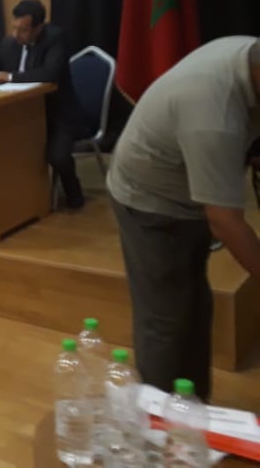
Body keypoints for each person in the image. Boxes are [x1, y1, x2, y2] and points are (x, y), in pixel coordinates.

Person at [107, 36, 260, 401]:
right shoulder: (214, 116)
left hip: (188, 189)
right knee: (166, 320)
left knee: (194, 306)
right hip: (149, 200)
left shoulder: (248, 54)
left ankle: (192, 409)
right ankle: (157, 422)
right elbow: (225, 221)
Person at [0, 0, 85, 209]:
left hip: (58, 114)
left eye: (23, 30)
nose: (16, 34)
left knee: (58, 157)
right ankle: (21, 201)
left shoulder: (55, 39)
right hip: (23, 115)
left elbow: (49, 74)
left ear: (39, 27)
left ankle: (74, 193)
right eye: (14, 27)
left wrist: (10, 77)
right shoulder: (10, 43)